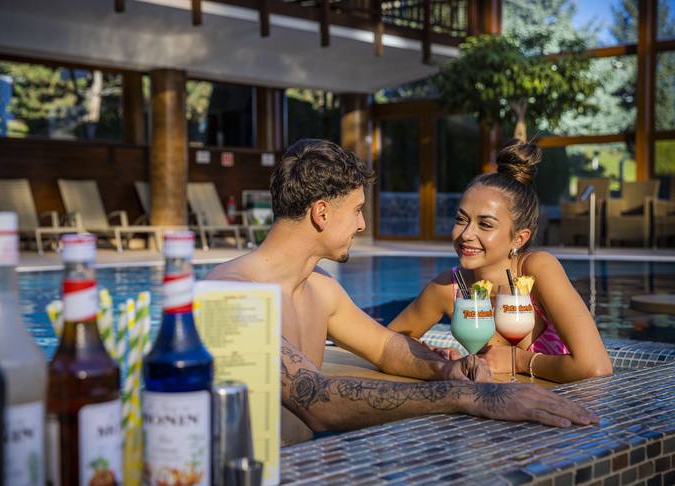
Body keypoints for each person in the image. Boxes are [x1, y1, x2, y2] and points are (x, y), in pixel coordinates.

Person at [206, 139, 598, 441]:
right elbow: (318, 400)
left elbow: (385, 346)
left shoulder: (321, 290)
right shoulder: (230, 295)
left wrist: (447, 370)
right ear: (321, 213)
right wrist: (470, 398)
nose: (362, 225)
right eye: (357, 210)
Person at [389, 140, 613, 383]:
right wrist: (433, 358)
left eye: (485, 224)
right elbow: (385, 342)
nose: (466, 234)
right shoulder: (450, 288)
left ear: (519, 238)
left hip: (560, 404)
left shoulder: (537, 270)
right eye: (461, 220)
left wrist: (518, 361)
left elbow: (596, 367)